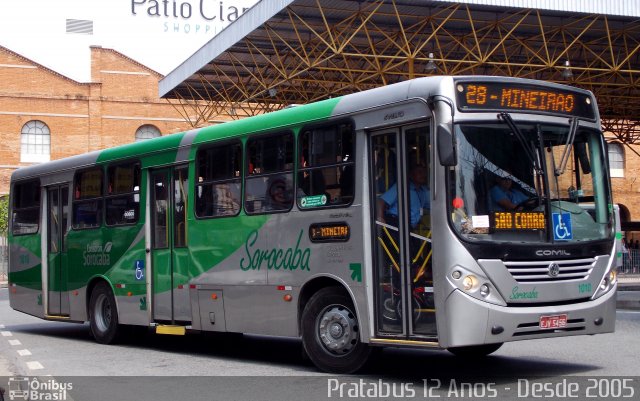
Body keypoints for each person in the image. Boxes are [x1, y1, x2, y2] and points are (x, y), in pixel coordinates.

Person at [377, 163, 430, 229]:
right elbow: (381, 201)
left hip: (409, 227)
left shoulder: (422, 191)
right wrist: (380, 218)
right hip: (395, 224)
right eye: (419, 172)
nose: (423, 175)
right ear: (411, 175)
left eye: (424, 172)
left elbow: (433, 205)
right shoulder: (401, 187)